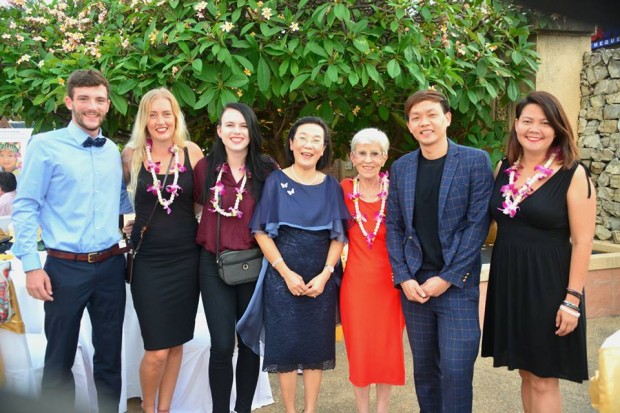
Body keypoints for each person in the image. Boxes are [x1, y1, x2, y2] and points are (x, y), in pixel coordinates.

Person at [11, 69, 130, 412]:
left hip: (110, 266)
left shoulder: (111, 149)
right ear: (69, 102)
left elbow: (122, 204)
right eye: (84, 99)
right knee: (59, 357)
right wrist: (32, 267)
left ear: (108, 105)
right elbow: (26, 207)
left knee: (109, 356)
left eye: (99, 100)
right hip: (64, 268)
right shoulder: (45, 146)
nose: (92, 107)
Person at [481, 91, 596, 412]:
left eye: (544, 123)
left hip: (549, 286)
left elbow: (584, 241)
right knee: (526, 373)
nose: (535, 128)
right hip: (510, 282)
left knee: (545, 378)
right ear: (516, 124)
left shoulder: (573, 174)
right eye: (527, 120)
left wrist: (572, 300)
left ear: (557, 129)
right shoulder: (504, 168)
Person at [385, 89, 494, 413]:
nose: (424, 122)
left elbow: (478, 225)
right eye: (416, 117)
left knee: (457, 371)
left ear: (447, 118)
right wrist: (403, 277)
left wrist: (447, 278)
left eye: (431, 114)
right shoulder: (402, 167)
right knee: (425, 373)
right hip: (415, 287)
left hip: (456, 287)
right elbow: (394, 226)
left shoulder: (475, 161)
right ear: (409, 126)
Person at [240, 116, 349, 413]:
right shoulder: (275, 181)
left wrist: (326, 275)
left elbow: (338, 236)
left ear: (324, 148)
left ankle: (310, 409)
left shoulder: (332, 186)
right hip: (281, 277)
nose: (309, 145)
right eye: (303, 138)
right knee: (286, 349)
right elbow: (261, 231)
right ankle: (290, 410)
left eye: (317, 139)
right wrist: (286, 273)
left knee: (316, 348)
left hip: (320, 279)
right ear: (291, 143)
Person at [122, 88, 203, 413]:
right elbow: (114, 202)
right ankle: (148, 407)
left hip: (187, 260)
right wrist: (124, 225)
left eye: (166, 113)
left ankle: (165, 408)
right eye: (153, 114)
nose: (160, 120)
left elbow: (201, 203)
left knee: (176, 345)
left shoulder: (191, 152)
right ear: (145, 118)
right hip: (149, 263)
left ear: (175, 117)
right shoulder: (131, 155)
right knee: (156, 349)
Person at [193, 102, 278, 413]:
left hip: (253, 266)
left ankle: (243, 408)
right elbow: (193, 208)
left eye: (243, 125)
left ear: (251, 131)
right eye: (230, 125)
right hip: (212, 265)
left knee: (249, 344)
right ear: (219, 131)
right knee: (221, 346)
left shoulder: (267, 169)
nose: (236, 131)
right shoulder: (205, 168)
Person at [340, 128, 405, 413]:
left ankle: (382, 410)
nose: (368, 160)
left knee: (387, 350)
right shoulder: (342, 190)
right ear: (352, 157)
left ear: (385, 157)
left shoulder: (396, 192)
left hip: (390, 285)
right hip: (355, 286)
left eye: (375, 153)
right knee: (360, 351)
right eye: (362, 153)